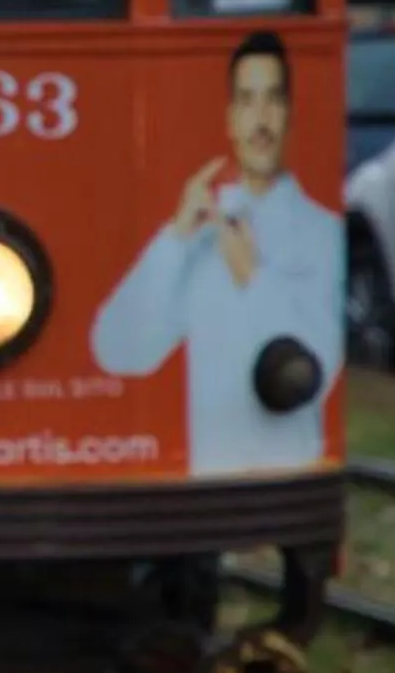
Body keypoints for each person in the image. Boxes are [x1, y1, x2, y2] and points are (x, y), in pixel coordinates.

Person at [90, 31, 344, 476]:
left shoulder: (324, 234)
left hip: (290, 473)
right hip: (206, 479)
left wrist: (254, 277)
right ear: (230, 120)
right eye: (247, 101)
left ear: (289, 115)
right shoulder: (201, 235)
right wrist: (175, 237)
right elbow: (120, 350)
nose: (260, 120)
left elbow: (313, 372)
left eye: (273, 100)